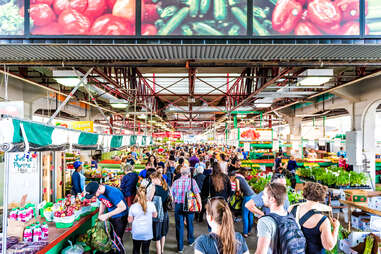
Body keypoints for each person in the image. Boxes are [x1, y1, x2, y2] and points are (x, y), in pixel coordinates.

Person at [289, 182, 340, 254]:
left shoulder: (292, 209)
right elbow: (329, 246)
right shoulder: (323, 220)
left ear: (305, 193)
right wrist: (336, 228)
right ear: (321, 197)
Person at [255, 182, 305, 254]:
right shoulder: (291, 217)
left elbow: (261, 252)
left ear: (272, 199)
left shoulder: (265, 221)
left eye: (264, 195)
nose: (262, 197)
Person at [85, 182, 128, 253]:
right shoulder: (99, 193)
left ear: (98, 189)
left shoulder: (112, 192)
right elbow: (103, 202)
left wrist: (107, 215)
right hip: (112, 215)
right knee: (110, 238)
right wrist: (100, 214)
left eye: (94, 194)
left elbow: (123, 207)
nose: (94, 196)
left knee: (117, 239)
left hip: (120, 216)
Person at [171, 166, 202, 253]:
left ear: (181, 173)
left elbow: (172, 195)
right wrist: (200, 204)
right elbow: (197, 194)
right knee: (190, 223)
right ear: (189, 173)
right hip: (190, 205)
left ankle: (180, 247)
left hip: (178, 205)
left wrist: (174, 204)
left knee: (179, 226)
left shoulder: (175, 182)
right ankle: (190, 240)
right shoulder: (192, 181)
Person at [128, 186, 157, 254]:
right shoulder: (151, 204)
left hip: (137, 232)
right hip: (147, 232)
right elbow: (155, 215)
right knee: (146, 250)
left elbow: (130, 220)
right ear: (146, 194)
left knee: (136, 249)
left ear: (137, 195)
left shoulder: (133, 206)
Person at [150, 172, 170, 254]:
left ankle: (159, 252)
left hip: (157, 214)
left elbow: (150, 200)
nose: (151, 181)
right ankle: (162, 250)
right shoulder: (166, 186)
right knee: (163, 233)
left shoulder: (154, 187)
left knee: (157, 235)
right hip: (165, 213)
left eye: (152, 179)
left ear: (156, 178)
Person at [235, 168, 255, 238]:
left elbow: (237, 189)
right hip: (253, 196)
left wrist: (238, 194)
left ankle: (245, 233)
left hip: (247, 197)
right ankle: (249, 231)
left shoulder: (237, 178)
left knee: (245, 215)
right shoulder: (243, 178)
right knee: (250, 214)